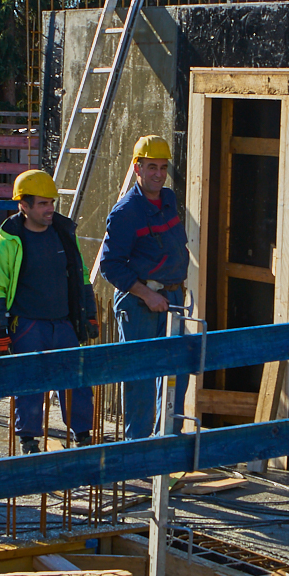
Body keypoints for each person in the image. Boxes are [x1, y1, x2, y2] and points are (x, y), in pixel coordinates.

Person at [0, 169, 100, 454]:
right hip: (28, 325)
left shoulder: (63, 236)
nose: (50, 209)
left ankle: (83, 435)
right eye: (43, 204)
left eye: (52, 203)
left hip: (63, 324)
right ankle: (29, 440)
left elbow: (82, 276)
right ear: (23, 205)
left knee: (77, 380)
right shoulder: (6, 243)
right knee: (30, 383)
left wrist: (89, 314)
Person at [100, 135, 189, 440]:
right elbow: (110, 266)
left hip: (172, 297)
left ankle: (166, 441)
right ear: (137, 168)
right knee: (141, 375)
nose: (158, 174)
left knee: (176, 371)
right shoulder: (125, 213)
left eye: (163, 167)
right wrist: (147, 294)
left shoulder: (168, 200)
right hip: (140, 303)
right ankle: (136, 448)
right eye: (152, 167)